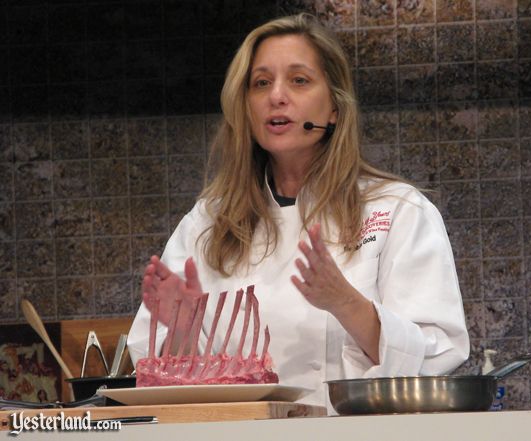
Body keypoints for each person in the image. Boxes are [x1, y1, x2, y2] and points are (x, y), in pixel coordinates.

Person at [127, 13, 469, 409]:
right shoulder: (208, 223)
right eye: (261, 83)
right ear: (246, 108)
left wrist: (345, 302)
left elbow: (437, 353)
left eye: (299, 80)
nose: (277, 96)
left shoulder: (397, 211)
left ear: (335, 108)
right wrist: (182, 332)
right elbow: (165, 385)